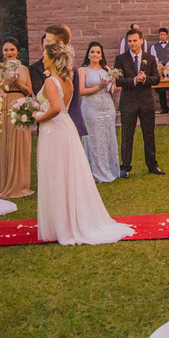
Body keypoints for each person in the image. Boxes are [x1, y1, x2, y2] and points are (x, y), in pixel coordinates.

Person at [33, 43, 134, 246]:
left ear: (52, 59)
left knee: (56, 175)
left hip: (54, 129)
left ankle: (62, 224)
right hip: (65, 128)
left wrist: (37, 116)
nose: (42, 59)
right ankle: (68, 219)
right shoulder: (67, 80)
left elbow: (54, 109)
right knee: (68, 174)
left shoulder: (52, 82)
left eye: (44, 55)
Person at [114, 28, 164, 178]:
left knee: (149, 134)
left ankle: (152, 165)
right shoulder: (121, 59)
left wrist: (145, 79)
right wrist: (135, 80)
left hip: (146, 102)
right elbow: (118, 80)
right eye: (129, 41)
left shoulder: (150, 58)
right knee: (127, 135)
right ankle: (125, 167)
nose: (132, 43)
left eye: (135, 40)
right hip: (128, 102)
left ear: (141, 41)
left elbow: (156, 78)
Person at [0, 37, 34, 198]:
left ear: (17, 51)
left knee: (20, 144)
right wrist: (7, 82)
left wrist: (18, 83)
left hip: (20, 105)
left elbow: (29, 91)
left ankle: (20, 184)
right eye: (6, 50)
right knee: (4, 143)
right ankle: (2, 183)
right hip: (3, 105)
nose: (9, 53)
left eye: (12, 49)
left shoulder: (24, 69)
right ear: (2, 52)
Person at [78, 41, 120, 183]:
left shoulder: (106, 69)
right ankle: (95, 171)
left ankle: (111, 169)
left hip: (107, 107)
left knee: (108, 137)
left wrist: (111, 83)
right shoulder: (82, 70)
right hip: (91, 108)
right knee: (94, 138)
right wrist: (98, 87)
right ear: (88, 54)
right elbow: (81, 91)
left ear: (102, 55)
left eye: (98, 52)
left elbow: (112, 90)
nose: (95, 55)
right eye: (92, 52)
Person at [151, 28, 169, 114]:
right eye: (161, 35)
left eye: (164, 35)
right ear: (159, 35)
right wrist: (160, 66)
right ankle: (164, 108)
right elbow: (154, 57)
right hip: (159, 70)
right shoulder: (154, 47)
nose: (162, 36)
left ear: (167, 35)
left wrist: (168, 66)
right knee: (161, 90)